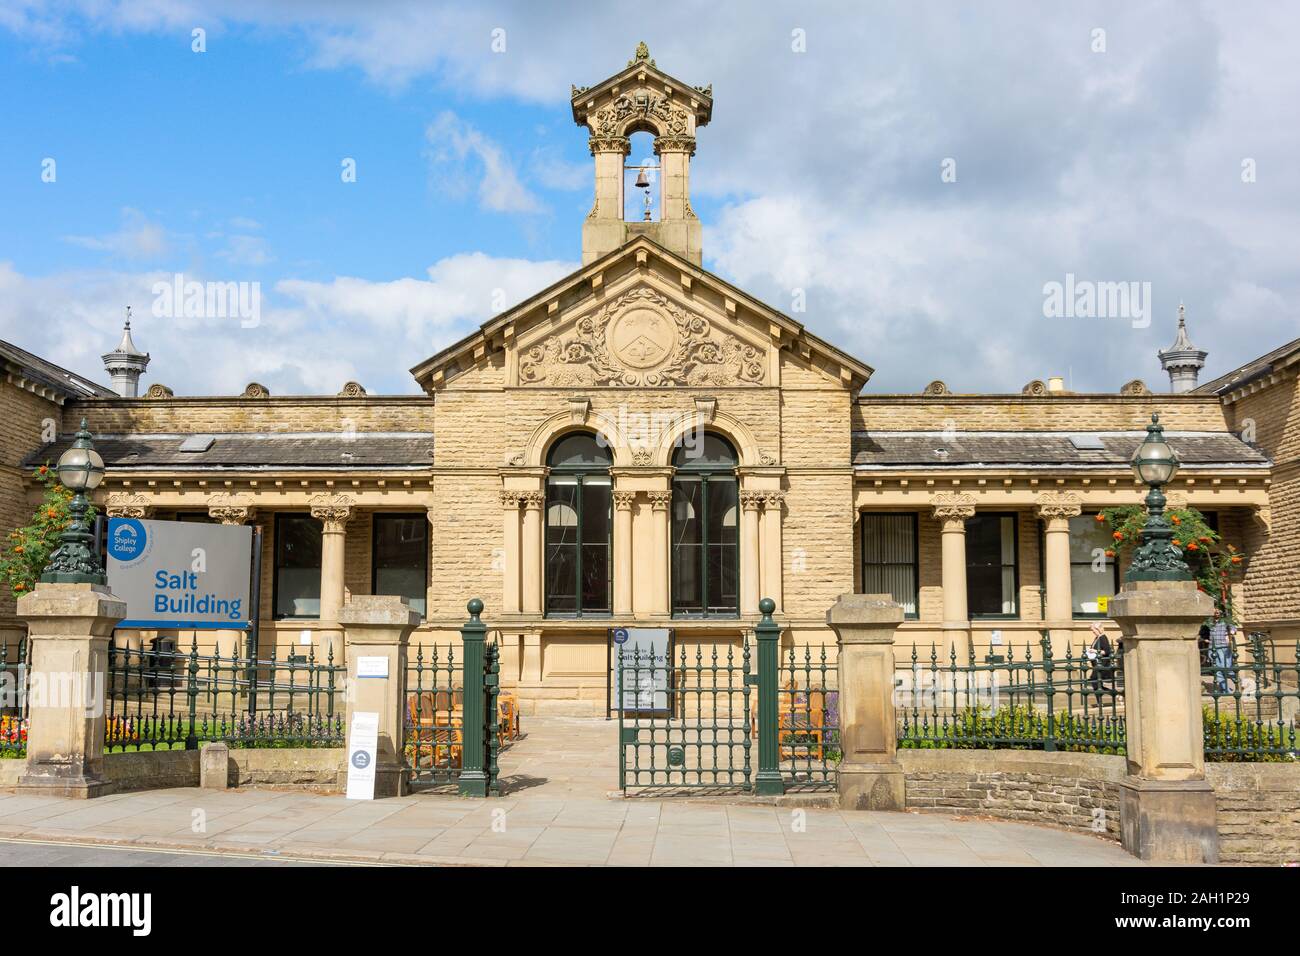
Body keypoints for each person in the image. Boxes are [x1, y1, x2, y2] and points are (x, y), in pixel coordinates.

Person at [1207, 608, 1236, 694]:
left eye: (1218, 610)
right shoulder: (1209, 622)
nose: (1216, 612)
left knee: (1226, 668)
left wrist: (1232, 632)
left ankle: (1239, 682)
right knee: (1217, 670)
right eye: (1214, 610)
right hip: (1212, 648)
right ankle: (1225, 690)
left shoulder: (1225, 621)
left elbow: (1233, 628)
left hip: (1223, 647)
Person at [1086, 621, 1113, 703]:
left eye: (1093, 629)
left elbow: (1107, 651)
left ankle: (1101, 700)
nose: (1093, 631)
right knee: (1097, 683)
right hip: (1096, 664)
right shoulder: (1097, 638)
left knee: (1094, 680)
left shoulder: (1103, 637)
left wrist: (1094, 651)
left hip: (1102, 665)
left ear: (1098, 629)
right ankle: (1114, 694)